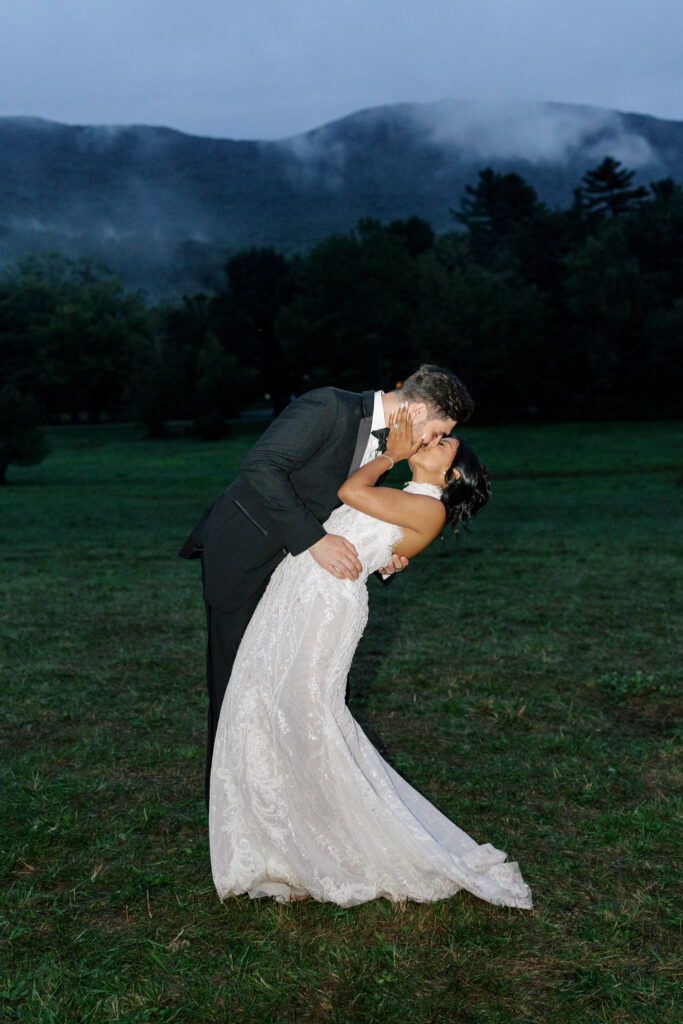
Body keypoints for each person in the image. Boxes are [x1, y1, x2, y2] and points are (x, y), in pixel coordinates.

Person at [209, 406, 533, 909]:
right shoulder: (409, 497)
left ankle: (343, 846)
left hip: (325, 607)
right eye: (439, 436)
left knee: (310, 716)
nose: (435, 441)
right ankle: (279, 843)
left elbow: (351, 495)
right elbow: (361, 526)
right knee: (261, 704)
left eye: (445, 444)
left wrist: (389, 455)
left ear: (450, 475)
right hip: (292, 591)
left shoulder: (430, 509)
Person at [179, 365, 475, 805]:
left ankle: (299, 805)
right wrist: (314, 540)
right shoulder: (330, 406)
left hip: (303, 583)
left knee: (307, 691)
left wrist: (385, 554)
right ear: (413, 410)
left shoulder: (392, 447)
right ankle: (231, 809)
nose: (432, 442)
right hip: (245, 556)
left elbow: (353, 515)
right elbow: (261, 469)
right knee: (238, 685)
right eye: (435, 432)